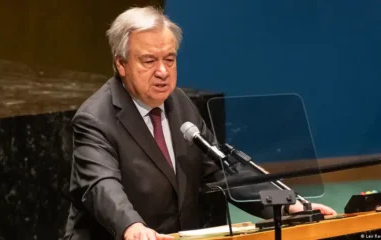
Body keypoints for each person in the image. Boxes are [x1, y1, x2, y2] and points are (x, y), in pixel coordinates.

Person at [63, 6, 336, 240]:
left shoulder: (179, 103)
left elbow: (220, 170)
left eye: (169, 59)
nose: (162, 71)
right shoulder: (95, 118)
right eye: (149, 61)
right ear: (121, 65)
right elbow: (100, 185)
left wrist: (289, 205)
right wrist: (131, 225)